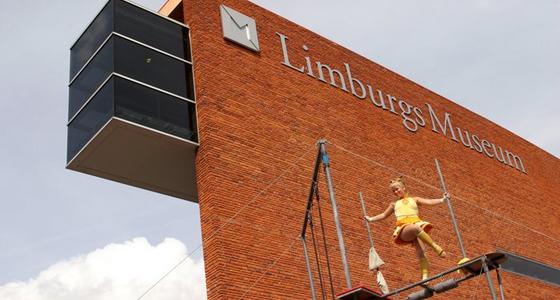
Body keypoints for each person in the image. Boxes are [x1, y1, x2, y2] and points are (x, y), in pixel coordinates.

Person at [365, 176, 447, 280]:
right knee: (415, 228)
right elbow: (383, 215)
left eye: (397, 189)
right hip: (404, 229)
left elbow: (429, 202)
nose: (395, 192)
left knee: (422, 252)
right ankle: (435, 247)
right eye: (393, 191)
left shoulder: (414, 199)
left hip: (416, 224)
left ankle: (425, 278)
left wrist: (442, 199)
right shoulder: (394, 204)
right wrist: (371, 219)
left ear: (403, 188)